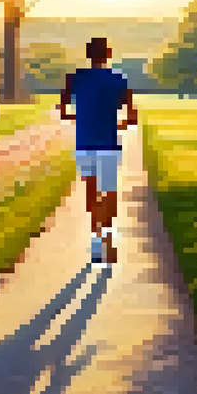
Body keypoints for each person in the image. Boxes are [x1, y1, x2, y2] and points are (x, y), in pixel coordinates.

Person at [59, 37, 138, 266]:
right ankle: (108, 236)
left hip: (84, 144)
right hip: (109, 144)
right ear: (108, 54)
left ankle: (96, 240)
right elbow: (132, 117)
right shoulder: (119, 79)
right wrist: (117, 124)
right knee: (109, 192)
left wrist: (81, 117)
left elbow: (63, 112)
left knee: (91, 193)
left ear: (88, 54)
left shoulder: (74, 79)